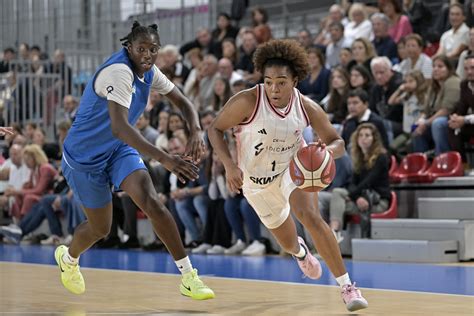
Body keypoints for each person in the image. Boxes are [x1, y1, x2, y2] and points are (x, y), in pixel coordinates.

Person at [55, 21, 214, 300]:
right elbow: (120, 126)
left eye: (153, 49)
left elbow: (184, 103)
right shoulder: (119, 72)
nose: (148, 55)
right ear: (129, 47)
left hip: (118, 150)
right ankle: (68, 259)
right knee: (100, 229)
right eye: (141, 49)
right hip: (84, 159)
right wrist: (165, 159)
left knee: (152, 201)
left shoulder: (150, 72)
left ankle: (189, 276)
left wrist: (197, 130)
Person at [208, 39, 368, 312]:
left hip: (292, 169)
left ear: (295, 80)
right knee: (287, 242)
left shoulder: (306, 106)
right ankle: (301, 252)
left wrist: (326, 151)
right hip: (256, 183)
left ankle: (347, 286)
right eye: (269, 81)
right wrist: (229, 165)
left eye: (281, 82)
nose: (274, 88)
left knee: (311, 217)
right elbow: (214, 129)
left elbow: (337, 142)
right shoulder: (247, 100)